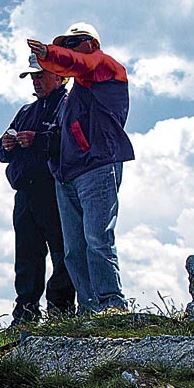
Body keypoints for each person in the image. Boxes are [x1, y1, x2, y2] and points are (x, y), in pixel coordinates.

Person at [27, 22, 134, 313]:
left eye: (72, 44)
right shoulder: (77, 90)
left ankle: (112, 305)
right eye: (64, 45)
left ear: (90, 44)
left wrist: (49, 54)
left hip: (97, 166)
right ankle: (89, 310)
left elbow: (78, 62)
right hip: (69, 174)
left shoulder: (104, 66)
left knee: (97, 239)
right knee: (74, 250)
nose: (68, 50)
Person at [0, 55, 76, 325]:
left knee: (61, 250)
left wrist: (37, 140)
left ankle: (61, 310)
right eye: (33, 76)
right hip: (25, 194)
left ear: (59, 76)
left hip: (54, 190)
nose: (35, 80)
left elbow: (71, 141)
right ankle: (26, 313)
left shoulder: (68, 105)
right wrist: (7, 144)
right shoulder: (26, 111)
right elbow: (1, 149)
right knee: (27, 254)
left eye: (40, 75)